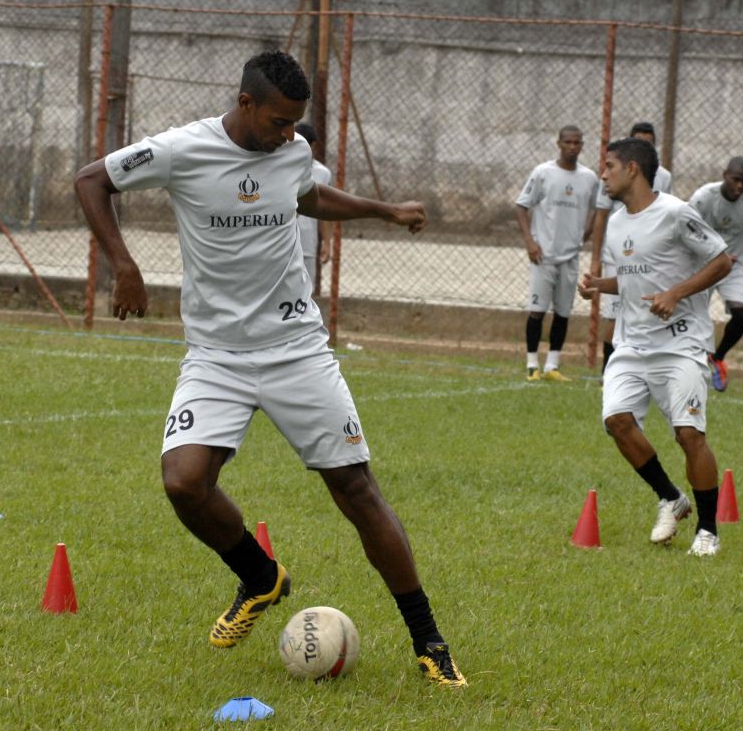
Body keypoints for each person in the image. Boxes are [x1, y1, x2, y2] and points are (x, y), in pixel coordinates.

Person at [74, 50, 466, 687]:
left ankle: (429, 640)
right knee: (184, 483)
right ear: (246, 103)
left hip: (295, 349)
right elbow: (91, 180)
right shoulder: (181, 149)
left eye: (295, 124)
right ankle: (260, 577)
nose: (290, 135)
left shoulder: (289, 151)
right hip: (217, 355)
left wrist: (383, 210)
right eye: (280, 121)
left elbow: (308, 194)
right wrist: (123, 264)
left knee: (356, 489)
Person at [577, 138, 732, 556]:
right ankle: (670, 497)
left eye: (609, 166)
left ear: (632, 169)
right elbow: (634, 279)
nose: (602, 174)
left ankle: (708, 530)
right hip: (632, 344)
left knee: (688, 435)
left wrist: (676, 293)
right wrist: (599, 286)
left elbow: (722, 260)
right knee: (617, 421)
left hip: (681, 344)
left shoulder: (676, 213)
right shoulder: (617, 223)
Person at [515, 125, 599, 381]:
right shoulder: (543, 172)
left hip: (570, 256)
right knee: (537, 310)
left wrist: (586, 233)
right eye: (568, 142)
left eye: (577, 142)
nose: (572, 147)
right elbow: (521, 206)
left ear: (582, 145)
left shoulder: (589, 178)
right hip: (543, 254)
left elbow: (599, 209)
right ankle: (532, 365)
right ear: (559, 144)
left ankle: (552, 365)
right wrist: (530, 242)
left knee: (563, 312)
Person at [590, 122, 673, 373]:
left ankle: (646, 367)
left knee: (643, 310)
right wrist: (595, 259)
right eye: (639, 141)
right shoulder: (613, 178)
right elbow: (601, 215)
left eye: (649, 143)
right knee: (615, 314)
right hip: (618, 252)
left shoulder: (664, 180)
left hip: (647, 253)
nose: (605, 174)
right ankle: (610, 371)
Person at [688, 156, 743, 391]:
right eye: (735, 180)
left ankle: (718, 358)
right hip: (701, 266)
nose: (740, 186)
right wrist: (711, 253)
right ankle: (684, 365)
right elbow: (685, 228)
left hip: (731, 267)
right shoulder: (704, 198)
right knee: (692, 318)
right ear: (725, 175)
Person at [293, 122, 332, 287]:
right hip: (281, 241)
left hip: (307, 242)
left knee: (306, 288)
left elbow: (324, 210)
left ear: (313, 146)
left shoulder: (322, 173)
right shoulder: (281, 168)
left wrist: (327, 242)